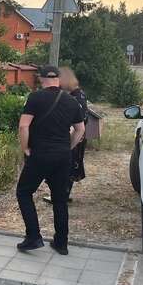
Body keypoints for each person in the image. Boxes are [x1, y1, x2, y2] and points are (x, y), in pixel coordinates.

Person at [16, 65, 86, 255]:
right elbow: (80, 129)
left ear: (41, 79)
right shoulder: (72, 101)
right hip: (62, 156)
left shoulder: (35, 98)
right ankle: (61, 243)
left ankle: (33, 237)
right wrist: (68, 147)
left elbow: (24, 126)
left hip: (39, 154)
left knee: (24, 192)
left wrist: (25, 148)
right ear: (59, 80)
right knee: (60, 200)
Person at [44, 66, 88, 204]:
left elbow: (76, 120)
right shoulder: (79, 94)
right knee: (69, 166)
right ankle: (63, 194)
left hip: (73, 136)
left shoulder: (73, 98)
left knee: (64, 167)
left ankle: (59, 195)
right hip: (78, 136)